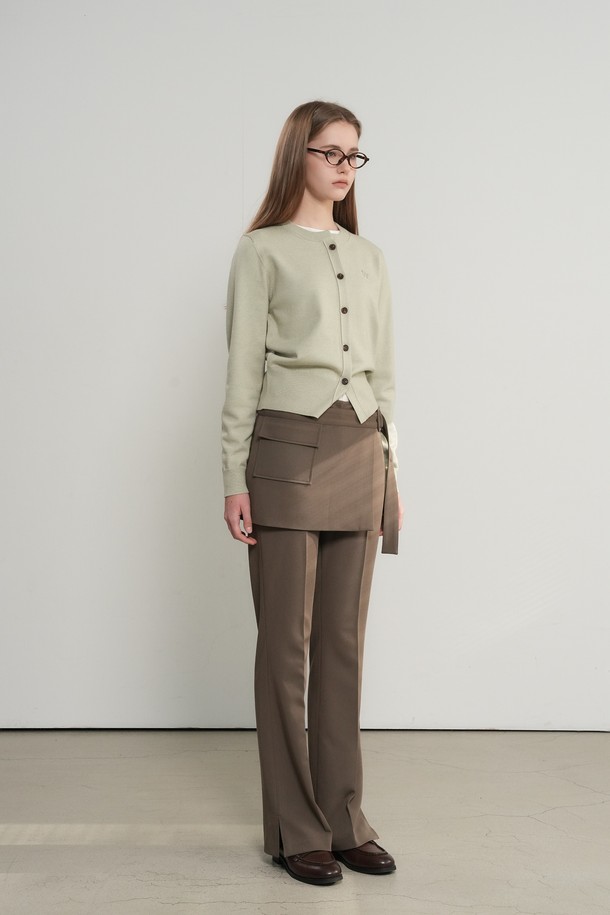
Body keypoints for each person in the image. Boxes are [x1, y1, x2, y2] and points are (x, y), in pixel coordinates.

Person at [221, 100, 403, 886]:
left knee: (343, 645)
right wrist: (232, 477)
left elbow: (385, 376)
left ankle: (344, 818)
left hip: (361, 451)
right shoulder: (261, 250)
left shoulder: (370, 257)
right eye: (330, 152)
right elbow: (242, 371)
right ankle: (295, 829)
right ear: (298, 154)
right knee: (285, 648)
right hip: (286, 454)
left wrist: (392, 470)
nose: (344, 167)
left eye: (354, 155)